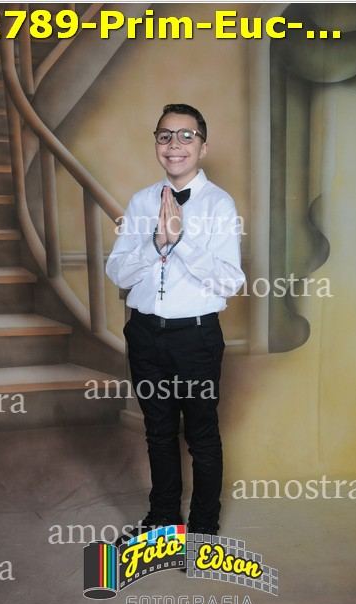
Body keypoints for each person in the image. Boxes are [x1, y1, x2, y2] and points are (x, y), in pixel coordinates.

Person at [106, 103, 245, 537]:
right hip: (145, 334)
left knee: (201, 435)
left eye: (187, 136)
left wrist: (181, 240)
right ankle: (164, 518)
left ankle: (202, 530)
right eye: (165, 135)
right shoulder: (140, 201)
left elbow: (230, 281)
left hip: (195, 339)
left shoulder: (219, 204)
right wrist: (156, 241)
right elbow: (118, 272)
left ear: (203, 147)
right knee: (158, 431)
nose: (174, 145)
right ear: (156, 144)